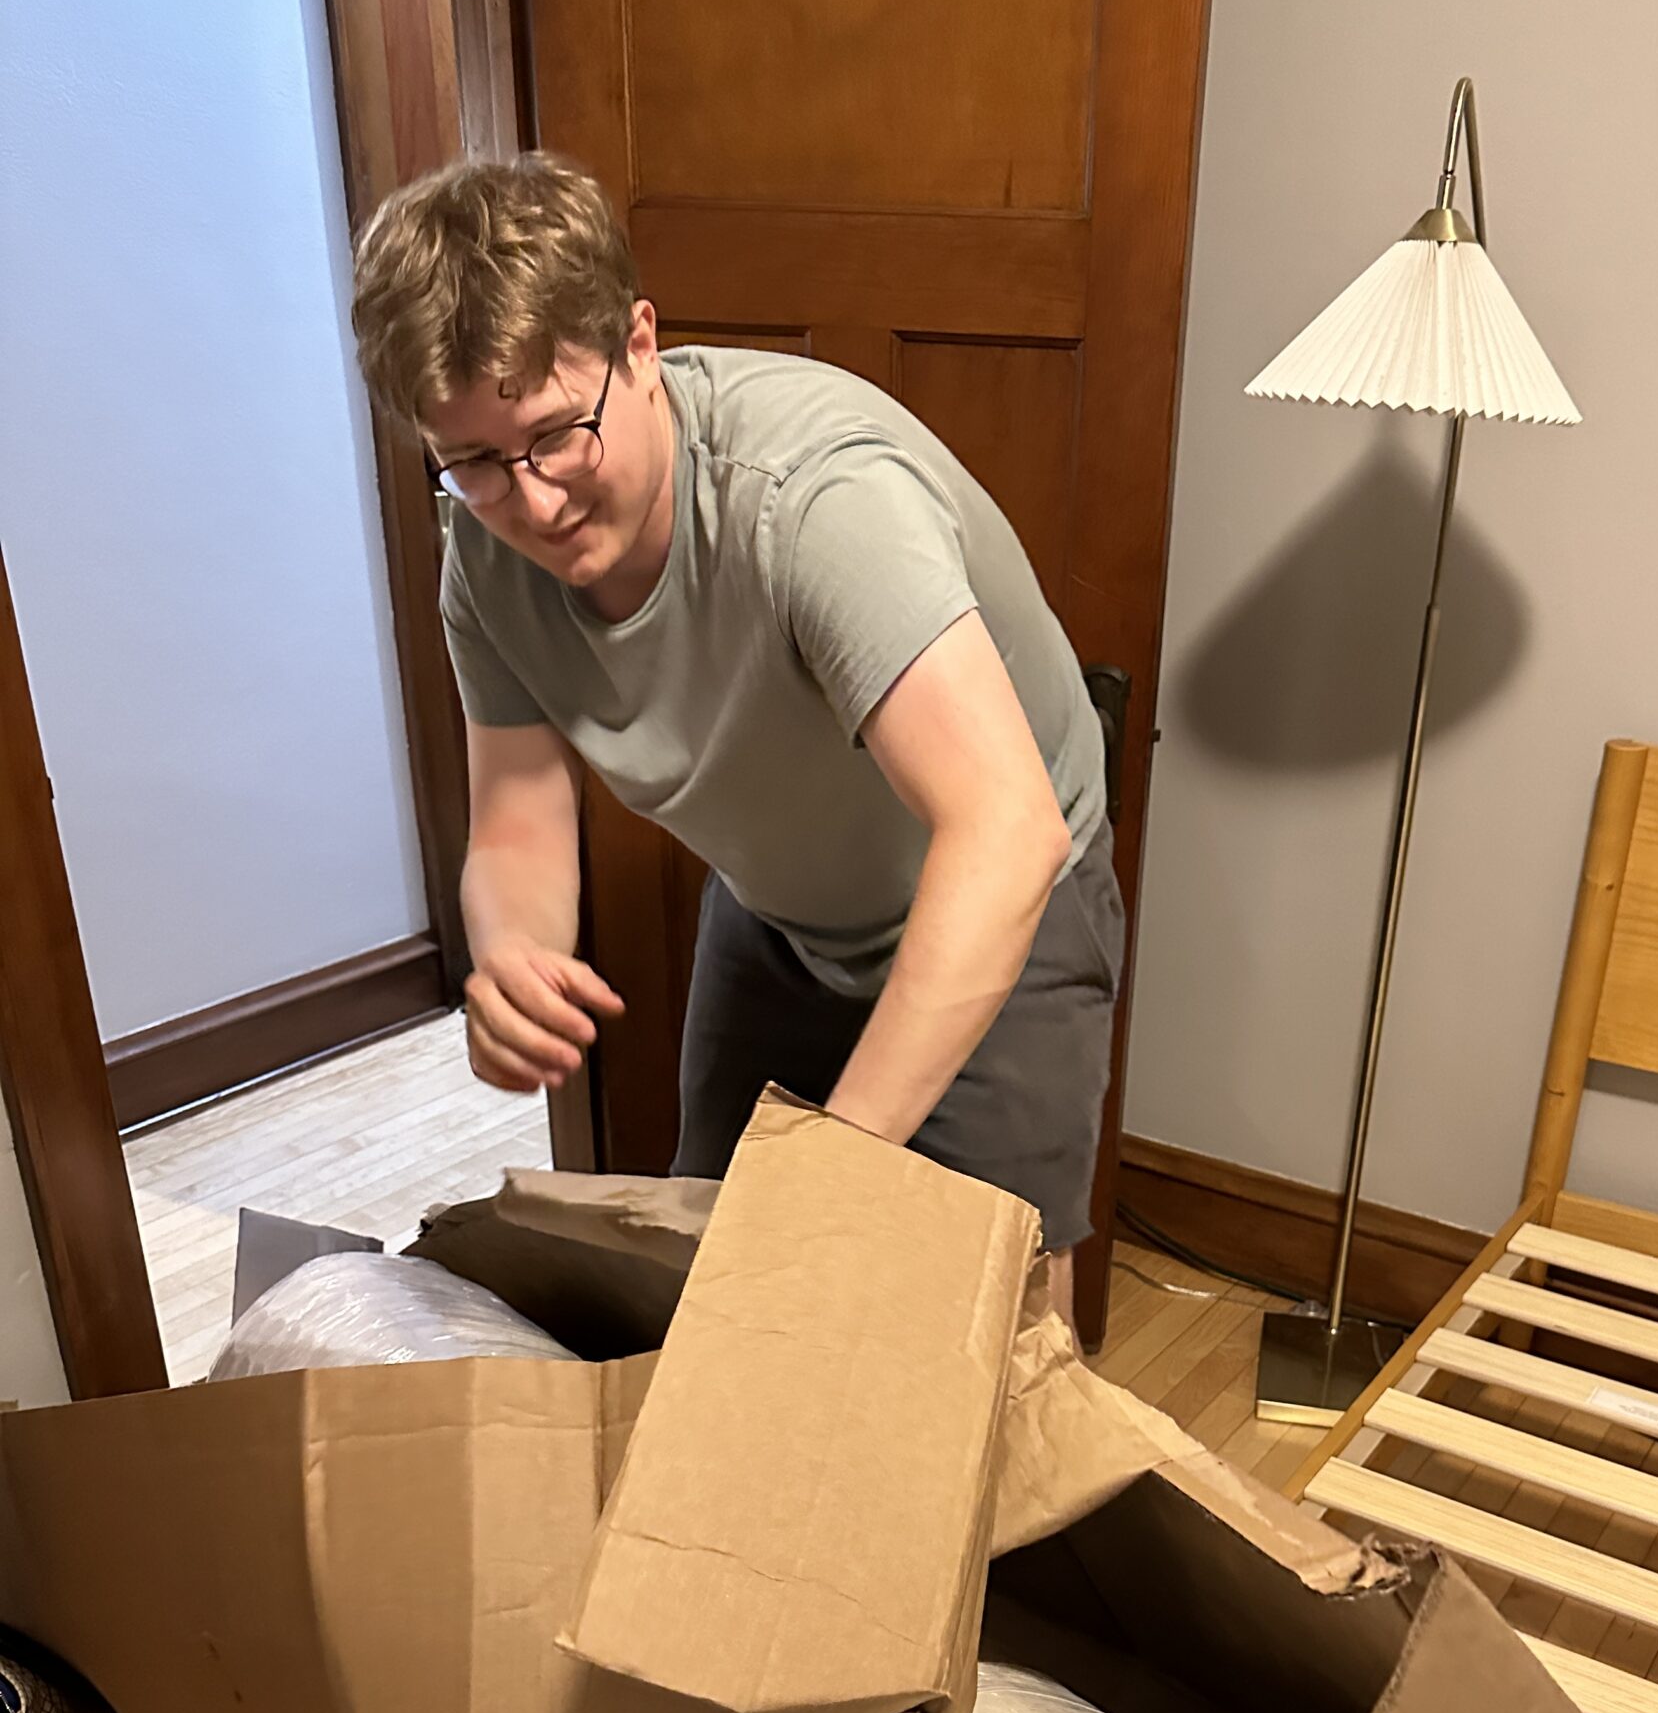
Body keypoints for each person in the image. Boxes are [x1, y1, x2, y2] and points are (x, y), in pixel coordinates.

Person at [349, 152, 1123, 1323]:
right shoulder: (486, 555)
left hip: (998, 894)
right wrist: (508, 954)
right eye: (472, 463)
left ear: (641, 346)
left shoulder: (813, 502)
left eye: (560, 434)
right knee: (717, 1280)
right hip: (778, 911)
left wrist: (839, 1160)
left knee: (995, 1338)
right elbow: (515, 819)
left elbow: (1004, 831)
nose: (536, 503)